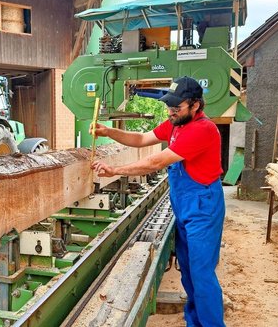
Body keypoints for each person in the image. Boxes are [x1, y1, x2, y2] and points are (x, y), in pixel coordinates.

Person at [90, 76, 226, 326]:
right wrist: (108, 131)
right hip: (184, 205)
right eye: (169, 107)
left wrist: (115, 170)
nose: (171, 112)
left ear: (195, 105)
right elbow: (141, 139)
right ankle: (194, 322)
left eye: (177, 108)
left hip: (202, 207)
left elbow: (156, 162)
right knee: (187, 270)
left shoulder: (202, 129)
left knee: (202, 274)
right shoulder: (176, 123)